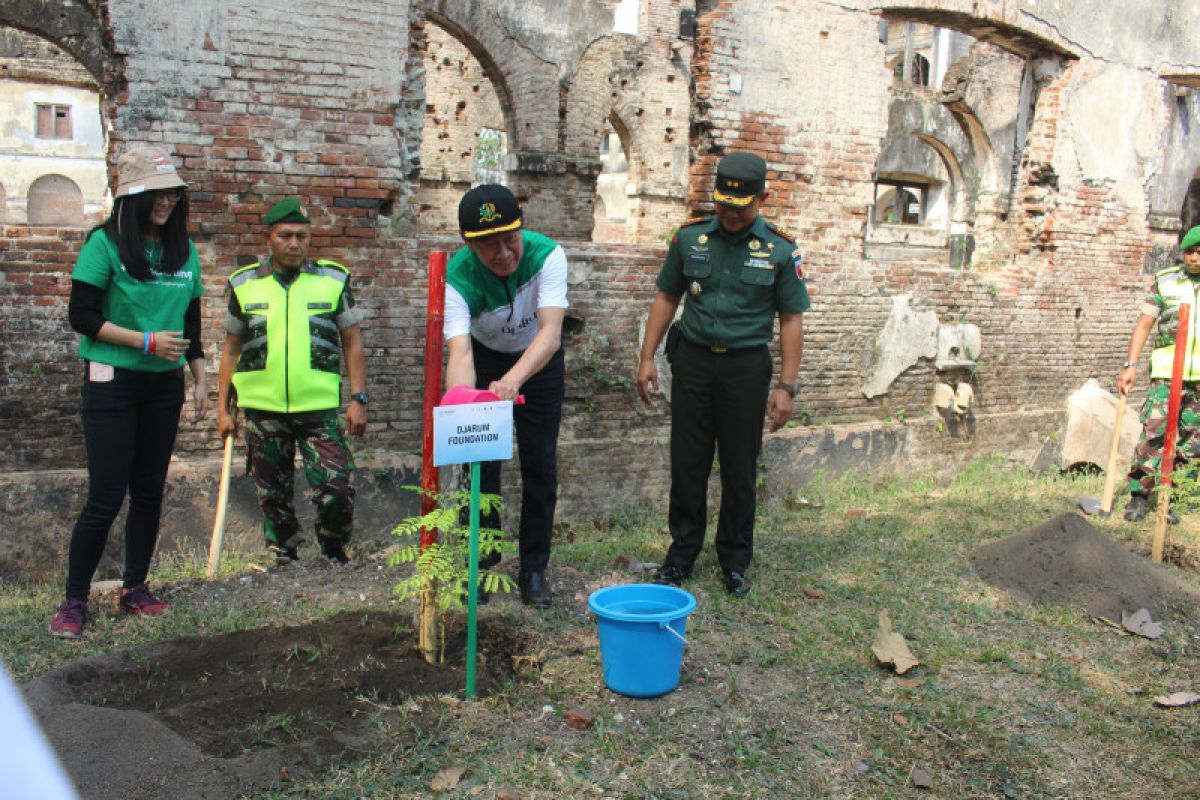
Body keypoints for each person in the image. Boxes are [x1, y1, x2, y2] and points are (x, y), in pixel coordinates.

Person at [50, 147, 208, 639]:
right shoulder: (104, 244)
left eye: (171, 193)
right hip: (112, 381)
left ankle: (135, 588)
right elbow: (83, 317)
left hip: (164, 384)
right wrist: (146, 342)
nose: (164, 201)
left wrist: (201, 377)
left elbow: (191, 324)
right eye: (153, 193)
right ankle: (75, 600)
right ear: (130, 197)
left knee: (149, 491)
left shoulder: (184, 251)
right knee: (106, 494)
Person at [636, 152, 810, 597]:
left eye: (741, 206)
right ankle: (681, 556)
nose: (730, 214)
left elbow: (791, 319)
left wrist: (786, 387)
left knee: (738, 467)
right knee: (687, 463)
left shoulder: (779, 249)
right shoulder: (690, 239)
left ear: (762, 198)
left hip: (745, 369)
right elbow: (666, 297)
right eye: (723, 204)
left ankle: (734, 559)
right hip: (693, 362)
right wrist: (647, 357)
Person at [216, 198, 367, 565]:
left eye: (302, 235)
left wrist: (359, 398)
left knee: (337, 488)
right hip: (262, 408)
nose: (294, 243)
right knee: (273, 492)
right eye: (285, 235)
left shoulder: (333, 279)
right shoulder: (243, 284)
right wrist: (223, 409)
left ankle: (333, 552)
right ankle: (284, 557)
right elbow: (231, 350)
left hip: (318, 407)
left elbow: (352, 341)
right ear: (269, 237)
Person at [444, 184, 568, 609]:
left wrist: (514, 381)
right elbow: (460, 351)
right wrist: (463, 407)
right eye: (488, 245)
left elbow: (551, 333)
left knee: (540, 465)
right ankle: (479, 562)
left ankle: (534, 567)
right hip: (486, 360)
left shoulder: (547, 255)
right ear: (468, 243)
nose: (503, 253)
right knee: (479, 467)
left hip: (539, 362)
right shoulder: (457, 276)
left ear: (522, 230)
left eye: (509, 239)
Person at [1119, 224, 1200, 523]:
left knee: (1193, 442)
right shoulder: (1165, 282)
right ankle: (1140, 496)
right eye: (1190, 252)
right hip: (1167, 375)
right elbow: (1143, 325)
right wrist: (1130, 365)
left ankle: (1177, 498)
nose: (1194, 258)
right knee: (1153, 433)